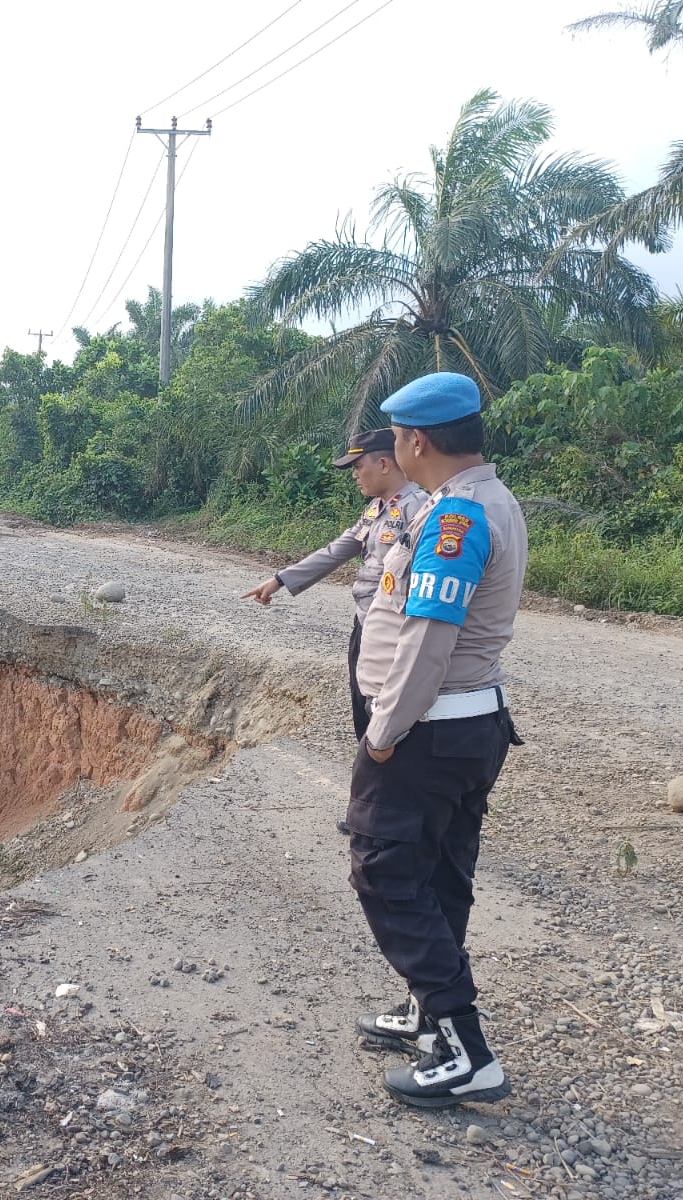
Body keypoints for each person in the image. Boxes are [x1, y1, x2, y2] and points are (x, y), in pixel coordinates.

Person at [345, 371, 526, 1109]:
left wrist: (382, 734)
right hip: (466, 726)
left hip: (429, 728)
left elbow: (427, 642)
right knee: (439, 872)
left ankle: (463, 1049)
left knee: (385, 868)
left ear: (416, 441)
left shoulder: (458, 519)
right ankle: (430, 1015)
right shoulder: (488, 499)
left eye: (395, 437)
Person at [241, 428, 427, 779]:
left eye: (358, 467)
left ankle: (386, 805)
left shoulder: (418, 510)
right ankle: (372, 801)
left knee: (386, 718)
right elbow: (338, 549)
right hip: (365, 624)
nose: (355, 475)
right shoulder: (378, 509)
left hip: (391, 632)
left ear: (384, 463)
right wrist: (281, 579)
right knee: (364, 712)